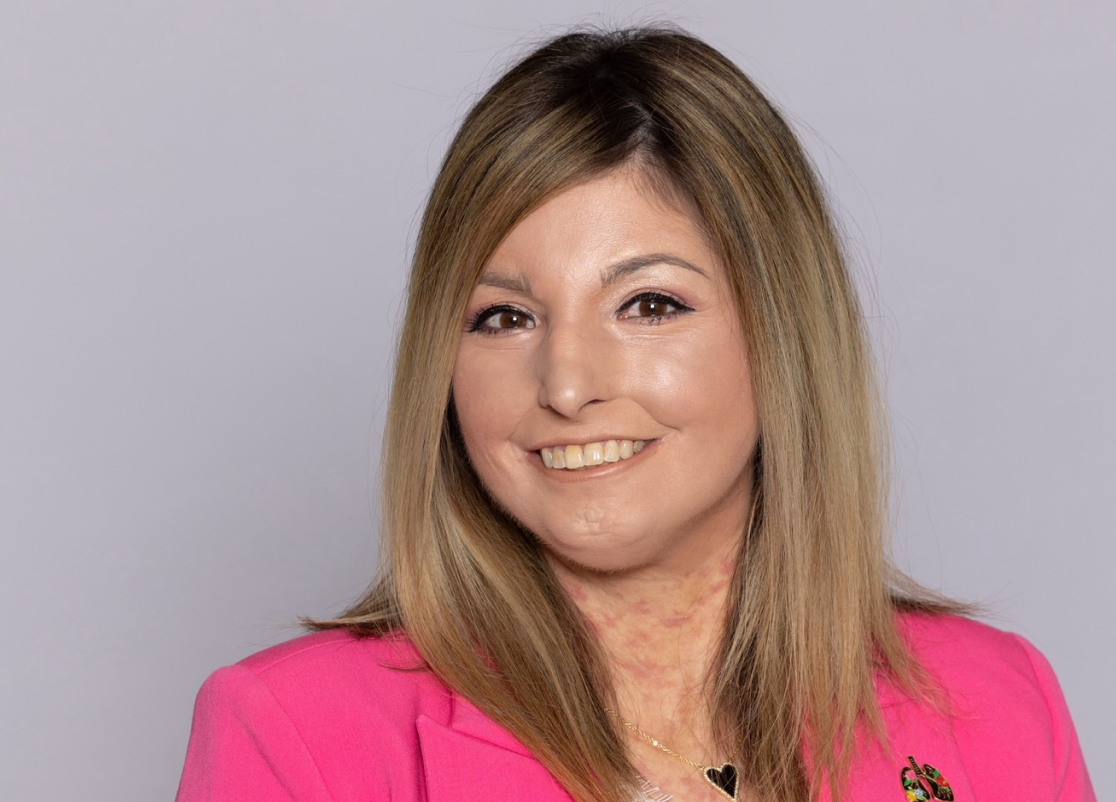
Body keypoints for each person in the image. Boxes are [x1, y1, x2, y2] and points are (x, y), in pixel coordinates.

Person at [175, 26, 1095, 802]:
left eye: (649, 305)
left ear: (784, 335)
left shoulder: (999, 700)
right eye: (505, 316)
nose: (567, 385)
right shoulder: (293, 736)